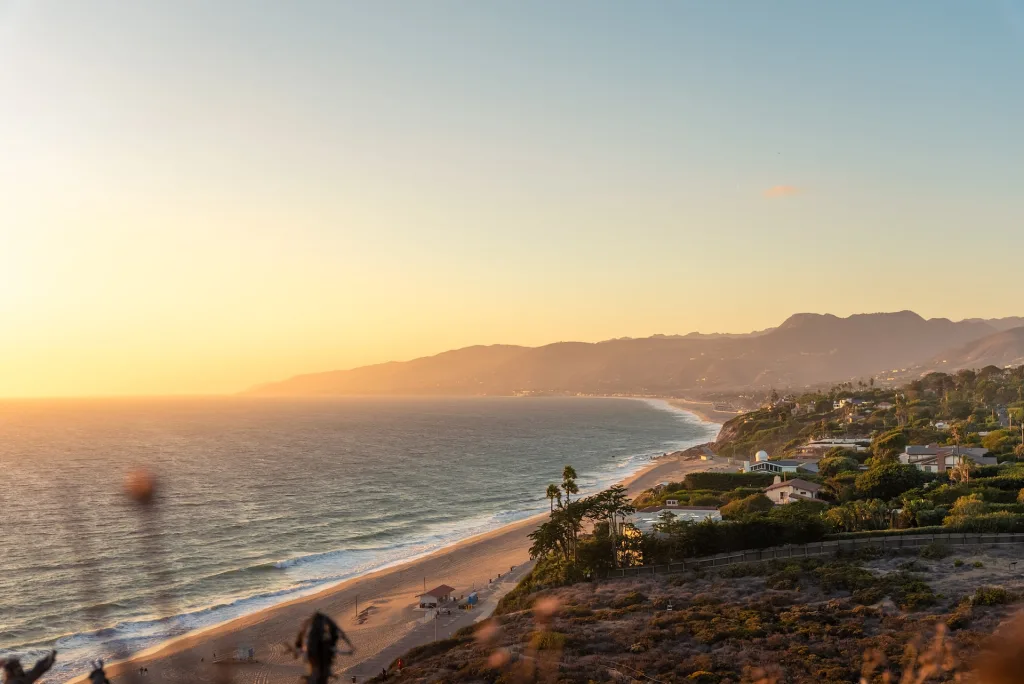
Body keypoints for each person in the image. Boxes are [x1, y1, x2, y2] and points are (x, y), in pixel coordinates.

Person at [295, 610, 354, 684]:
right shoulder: (324, 623)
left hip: (315, 654)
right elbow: (336, 633)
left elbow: (301, 637)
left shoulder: (310, 625)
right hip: (317, 654)